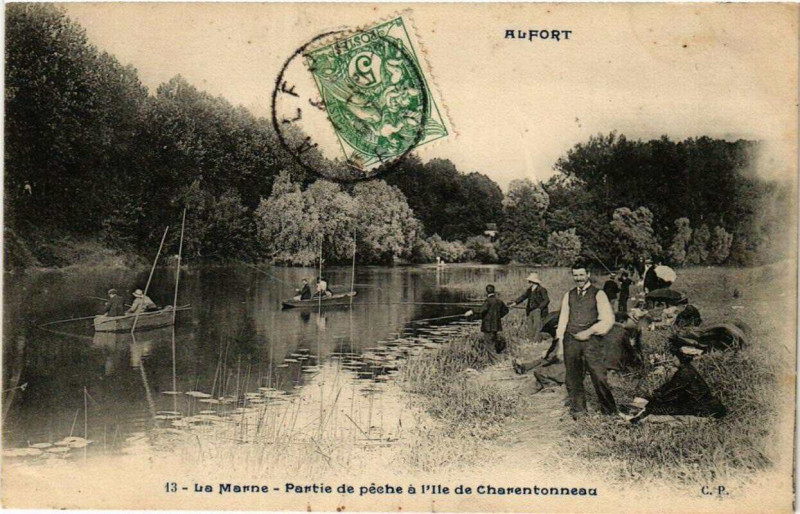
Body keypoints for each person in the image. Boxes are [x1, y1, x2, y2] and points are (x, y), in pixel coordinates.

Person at [554, 261, 617, 419]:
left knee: (598, 375)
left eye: (581, 275)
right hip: (571, 340)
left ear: (588, 274)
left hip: (591, 341)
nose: (578, 278)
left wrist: (589, 332)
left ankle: (609, 412)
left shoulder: (599, 294)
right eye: (575, 275)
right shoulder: (569, 295)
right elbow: (563, 320)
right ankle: (579, 411)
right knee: (573, 377)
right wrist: (560, 345)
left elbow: (607, 320)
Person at [627, 345, 727, 424]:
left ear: (679, 359)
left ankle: (635, 420)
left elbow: (668, 393)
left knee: (656, 409)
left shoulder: (685, 373)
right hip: (704, 406)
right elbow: (670, 388)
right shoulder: (687, 370)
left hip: (703, 409)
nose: (672, 359)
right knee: (656, 406)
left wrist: (652, 400)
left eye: (674, 356)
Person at [464, 284, 510, 356]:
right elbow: (506, 310)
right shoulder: (499, 301)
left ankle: (496, 362)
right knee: (493, 343)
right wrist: (498, 317)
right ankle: (497, 360)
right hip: (496, 326)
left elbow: (482, 310)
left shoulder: (488, 301)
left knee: (489, 346)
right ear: (494, 291)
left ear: (486, 292)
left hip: (488, 327)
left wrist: (471, 311)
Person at [509, 272, 550, 343]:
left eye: (530, 281)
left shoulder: (542, 289)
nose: (529, 282)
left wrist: (539, 308)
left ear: (534, 281)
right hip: (530, 310)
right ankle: (531, 340)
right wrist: (515, 303)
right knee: (530, 325)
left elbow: (546, 300)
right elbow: (523, 297)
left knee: (537, 326)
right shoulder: (530, 289)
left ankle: (536, 341)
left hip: (538, 311)